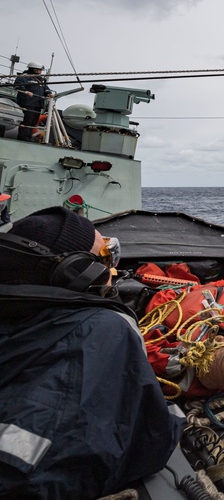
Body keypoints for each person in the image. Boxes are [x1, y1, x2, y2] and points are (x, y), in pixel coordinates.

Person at [0, 207, 183, 499]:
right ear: (76, 273)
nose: (113, 269)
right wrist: (176, 420)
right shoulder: (103, 330)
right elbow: (146, 440)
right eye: (104, 258)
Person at [13, 62, 53, 142]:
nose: (40, 72)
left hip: (37, 104)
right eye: (38, 70)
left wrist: (49, 93)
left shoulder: (41, 79)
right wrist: (26, 92)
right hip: (27, 103)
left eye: (40, 70)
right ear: (33, 69)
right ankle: (23, 138)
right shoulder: (24, 77)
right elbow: (17, 85)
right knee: (27, 121)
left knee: (33, 121)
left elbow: (45, 88)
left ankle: (28, 137)